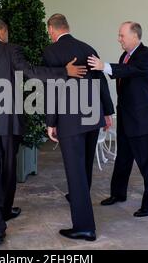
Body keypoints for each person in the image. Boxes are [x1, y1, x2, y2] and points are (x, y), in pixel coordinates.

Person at [0, 19, 87, 245]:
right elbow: (32, 73)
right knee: (9, 169)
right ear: (4, 32)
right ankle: (6, 210)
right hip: (11, 123)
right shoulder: (12, 50)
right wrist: (63, 71)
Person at [44, 14, 114, 241]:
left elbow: (52, 89)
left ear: (52, 30)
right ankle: (78, 197)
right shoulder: (88, 48)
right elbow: (101, 80)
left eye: (49, 32)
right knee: (84, 167)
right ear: (68, 27)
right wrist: (107, 111)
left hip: (70, 121)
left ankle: (85, 227)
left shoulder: (51, 52)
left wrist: (51, 122)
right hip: (92, 118)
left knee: (75, 172)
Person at [88, 21, 148, 218]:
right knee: (122, 160)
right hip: (127, 119)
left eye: (122, 35)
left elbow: (129, 71)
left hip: (145, 120)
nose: (119, 39)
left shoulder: (146, 55)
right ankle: (118, 194)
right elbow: (120, 75)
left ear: (135, 36)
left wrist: (103, 65)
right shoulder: (125, 56)